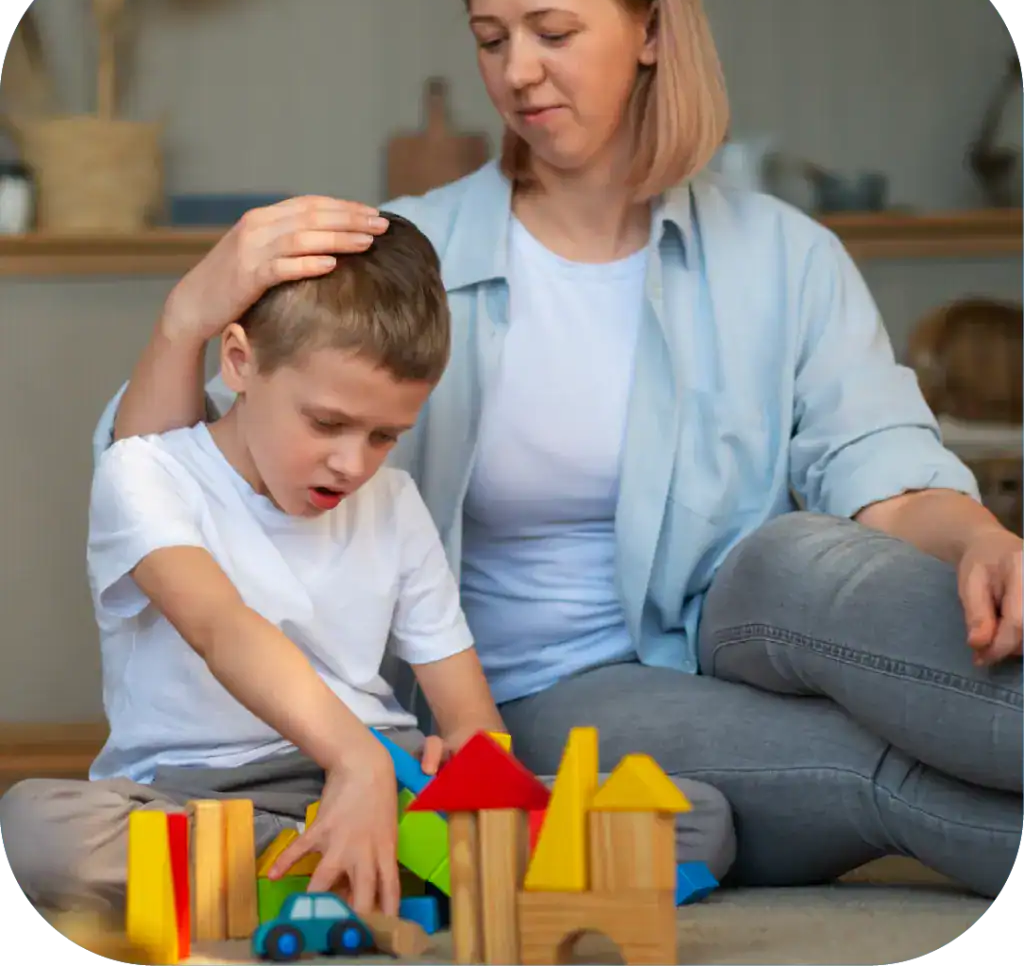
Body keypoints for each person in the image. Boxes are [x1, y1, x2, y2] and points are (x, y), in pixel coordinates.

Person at [32, 0, 1024, 901]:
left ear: (649, 28)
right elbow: (193, 468)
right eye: (490, 36)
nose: (518, 71)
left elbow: (882, 475)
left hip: (725, 628)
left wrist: (978, 537)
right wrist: (188, 316)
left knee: (810, 556)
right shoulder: (408, 256)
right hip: (533, 694)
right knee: (857, 760)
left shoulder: (783, 256)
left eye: (551, 31)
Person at [0, 214, 735, 919]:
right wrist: (355, 763)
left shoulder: (394, 502)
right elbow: (222, 627)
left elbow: (469, 711)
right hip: (201, 792)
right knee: (36, 829)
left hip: (387, 773)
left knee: (699, 817)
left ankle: (346, 870)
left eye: (385, 435)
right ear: (239, 361)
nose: (352, 463)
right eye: (326, 423)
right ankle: (363, 870)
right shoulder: (146, 474)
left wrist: (476, 778)